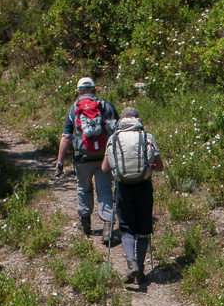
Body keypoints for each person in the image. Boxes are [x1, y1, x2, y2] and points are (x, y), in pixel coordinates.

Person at [101, 107, 164, 285]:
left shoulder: (114, 138)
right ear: (138, 119)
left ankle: (131, 263)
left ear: (121, 120)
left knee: (126, 228)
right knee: (143, 230)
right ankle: (141, 269)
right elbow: (160, 167)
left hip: (123, 188)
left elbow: (104, 168)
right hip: (143, 187)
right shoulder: (147, 137)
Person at [55, 77, 119, 244]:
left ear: (78, 91)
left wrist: (60, 162)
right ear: (95, 89)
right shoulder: (106, 106)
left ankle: (85, 225)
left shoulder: (73, 110)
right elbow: (117, 132)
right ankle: (107, 227)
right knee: (104, 190)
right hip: (104, 157)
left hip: (81, 157)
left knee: (84, 189)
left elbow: (66, 137)